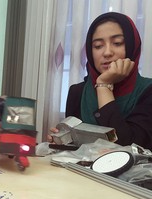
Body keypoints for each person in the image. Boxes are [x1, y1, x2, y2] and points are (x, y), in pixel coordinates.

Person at [48, 12, 152, 150]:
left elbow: (128, 147)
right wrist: (62, 142)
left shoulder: (148, 91)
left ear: (133, 46)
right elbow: (76, 149)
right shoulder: (77, 92)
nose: (107, 52)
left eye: (117, 43)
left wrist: (103, 86)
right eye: (98, 46)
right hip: (80, 172)